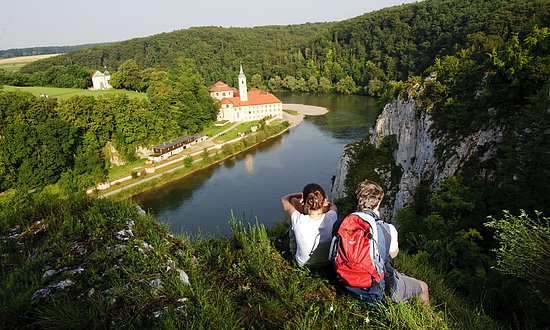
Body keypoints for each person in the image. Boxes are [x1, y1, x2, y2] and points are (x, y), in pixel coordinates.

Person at [346, 179, 429, 304]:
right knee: (423, 287)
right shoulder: (387, 228)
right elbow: (392, 254)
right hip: (375, 290)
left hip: (346, 284)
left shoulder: (344, 223)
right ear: (378, 203)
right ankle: (427, 321)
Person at [281, 183, 338, 267]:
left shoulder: (299, 220)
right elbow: (332, 205)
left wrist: (302, 195)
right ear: (323, 200)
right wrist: (323, 201)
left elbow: (284, 199)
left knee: (293, 205)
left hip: (303, 264)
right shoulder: (332, 216)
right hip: (328, 261)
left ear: (305, 201)